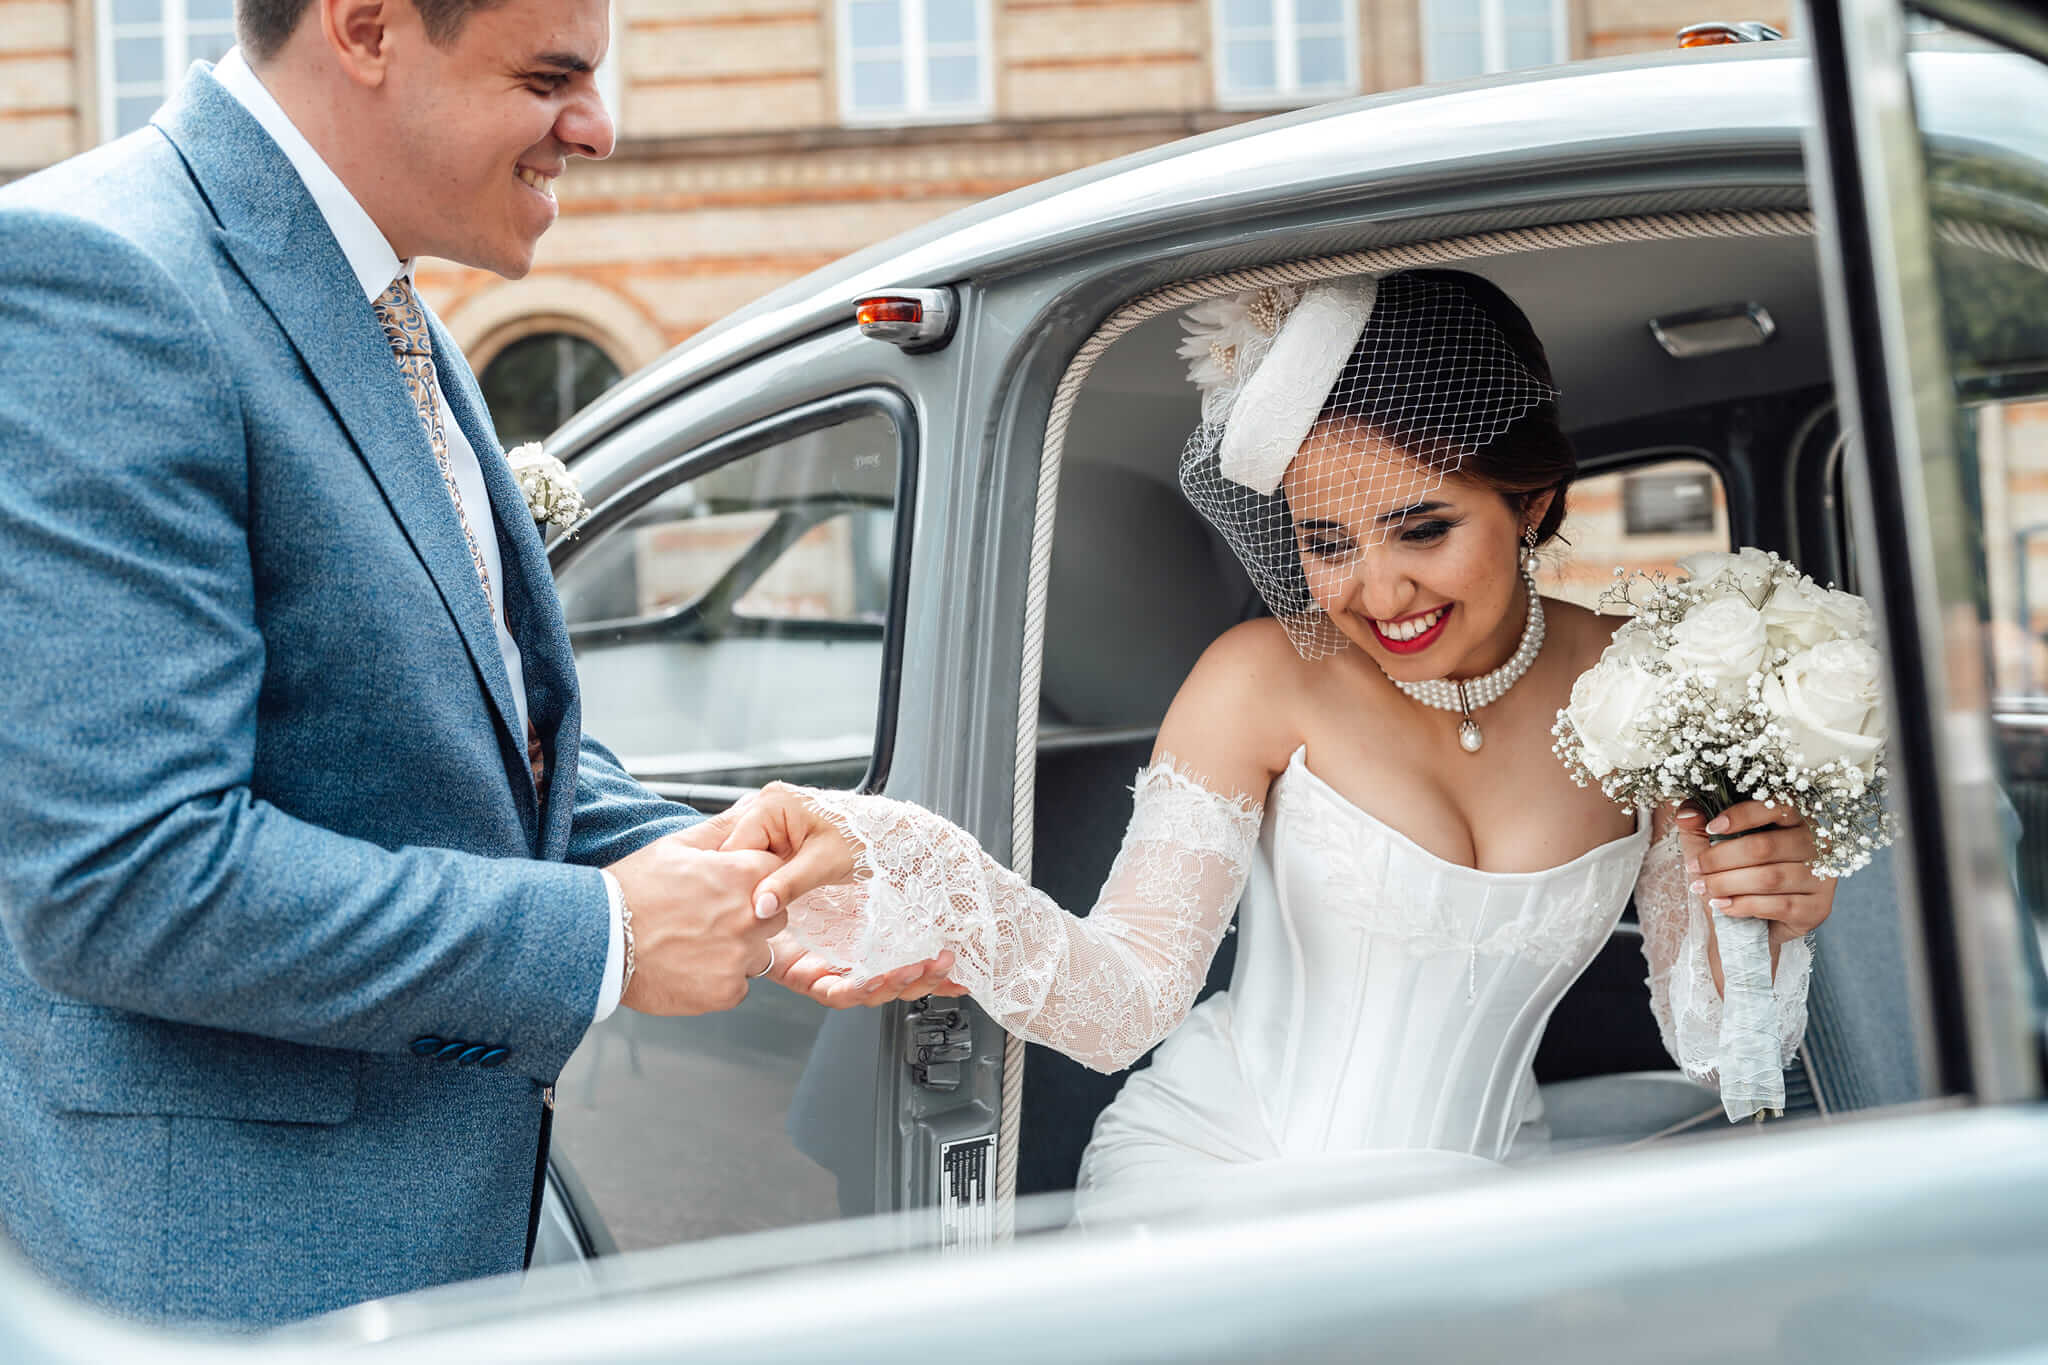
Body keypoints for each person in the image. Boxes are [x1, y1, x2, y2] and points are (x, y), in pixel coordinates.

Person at [0, 0, 858, 1327]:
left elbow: (451, 745)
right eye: (547, 76)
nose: (598, 125)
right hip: (239, 1285)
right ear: (366, 27)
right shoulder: (107, 278)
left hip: (427, 1256)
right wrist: (610, 939)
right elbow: (129, 880)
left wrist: (715, 856)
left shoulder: (381, 294)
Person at [728, 270, 1839, 1217]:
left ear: (1530, 499)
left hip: (1486, 1198)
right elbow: (1122, 1002)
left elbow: (1715, 1049)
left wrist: (1767, 914)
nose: (1377, 591)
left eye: (1422, 528)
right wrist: (932, 870)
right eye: (1326, 542)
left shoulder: (1649, 686)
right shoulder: (1261, 680)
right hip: (1218, 1186)